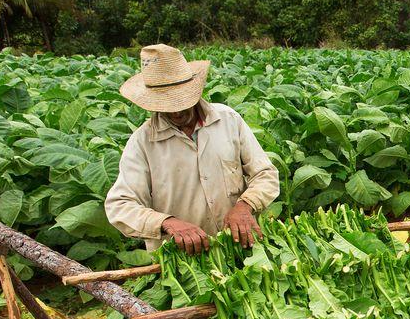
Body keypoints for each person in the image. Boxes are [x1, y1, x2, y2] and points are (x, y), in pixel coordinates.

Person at [105, 44, 279, 254]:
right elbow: (120, 206)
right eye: (165, 104)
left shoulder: (228, 120)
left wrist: (245, 206)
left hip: (241, 248)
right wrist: (167, 222)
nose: (176, 111)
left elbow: (265, 174)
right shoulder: (142, 142)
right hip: (182, 262)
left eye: (180, 101)